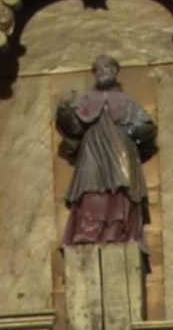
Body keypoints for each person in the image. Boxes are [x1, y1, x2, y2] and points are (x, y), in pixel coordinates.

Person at [56, 58, 155, 247]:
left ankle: (116, 231)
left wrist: (133, 132)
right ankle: (90, 230)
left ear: (115, 71)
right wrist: (64, 109)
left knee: (122, 189)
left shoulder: (128, 101)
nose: (103, 72)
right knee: (90, 188)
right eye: (99, 69)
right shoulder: (85, 101)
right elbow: (74, 127)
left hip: (121, 149)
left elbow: (147, 127)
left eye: (107, 68)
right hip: (93, 150)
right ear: (95, 74)